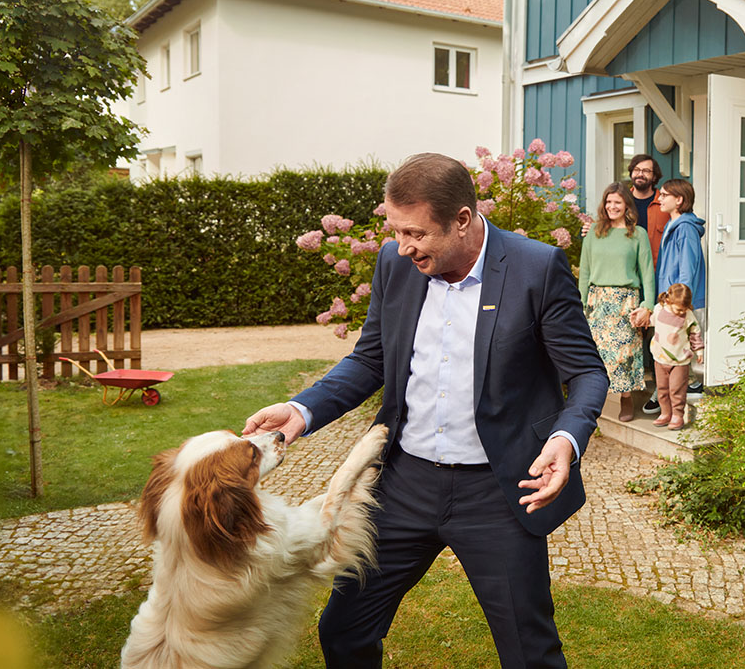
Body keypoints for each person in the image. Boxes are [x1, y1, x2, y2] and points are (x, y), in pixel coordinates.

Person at [243, 153, 608, 668]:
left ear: (462, 220)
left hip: (499, 493)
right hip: (404, 484)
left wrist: (565, 439)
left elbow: (587, 373)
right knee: (344, 630)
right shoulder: (396, 263)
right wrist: (303, 410)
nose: (402, 246)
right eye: (395, 231)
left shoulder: (536, 268)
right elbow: (372, 358)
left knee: (531, 654)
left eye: (415, 233)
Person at [576, 182, 655, 422]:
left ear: (626, 206)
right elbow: (586, 273)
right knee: (596, 355)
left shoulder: (637, 234)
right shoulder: (594, 232)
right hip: (597, 302)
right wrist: (580, 306)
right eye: (608, 202)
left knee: (624, 356)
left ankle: (626, 399)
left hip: (626, 302)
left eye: (617, 202)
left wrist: (648, 305)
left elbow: (647, 273)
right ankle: (593, 400)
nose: (612, 206)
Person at [655, 178, 706, 392]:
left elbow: (687, 268)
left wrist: (680, 304)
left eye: (665, 195)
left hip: (682, 302)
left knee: (685, 344)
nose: (659, 198)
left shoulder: (685, 228)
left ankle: (692, 385)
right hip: (671, 300)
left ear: (679, 199)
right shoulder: (672, 225)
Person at [649, 283, 704, 430]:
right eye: (678, 309)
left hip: (680, 361)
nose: (681, 312)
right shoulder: (659, 309)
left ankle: (677, 416)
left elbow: (695, 333)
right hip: (659, 358)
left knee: (676, 390)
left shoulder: (688, 315)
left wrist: (699, 350)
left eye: (684, 309)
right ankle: (665, 413)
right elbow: (652, 322)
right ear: (668, 301)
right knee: (662, 389)